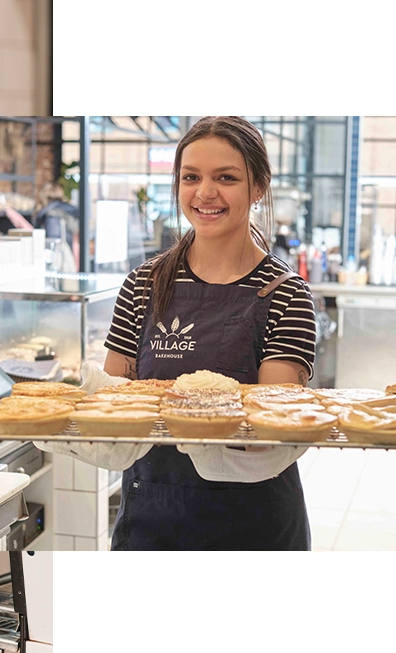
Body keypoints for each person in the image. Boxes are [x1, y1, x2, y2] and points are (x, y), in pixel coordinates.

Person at [102, 116, 317, 551]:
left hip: (253, 524)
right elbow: (114, 408)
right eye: (191, 177)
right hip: (151, 522)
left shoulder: (287, 296)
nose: (205, 192)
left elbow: (273, 432)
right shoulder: (143, 286)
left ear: (258, 187)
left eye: (226, 178)